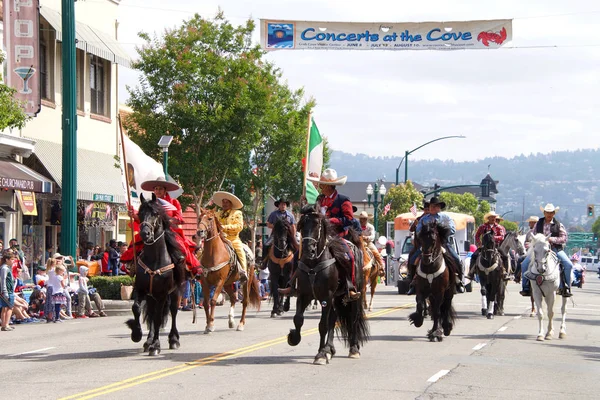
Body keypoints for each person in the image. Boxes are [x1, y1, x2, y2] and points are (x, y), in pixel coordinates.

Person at [121, 177, 201, 276]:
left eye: (160, 189)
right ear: (154, 190)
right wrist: (134, 215)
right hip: (152, 230)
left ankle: (187, 267)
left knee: (181, 246)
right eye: (156, 189)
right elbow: (144, 218)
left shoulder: (174, 202)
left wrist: (168, 220)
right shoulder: (150, 204)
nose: (158, 191)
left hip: (169, 231)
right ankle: (132, 264)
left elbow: (180, 218)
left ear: (165, 190)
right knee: (137, 240)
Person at [309, 168, 362, 300]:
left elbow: (349, 219)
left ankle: (350, 286)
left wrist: (330, 220)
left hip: (339, 236)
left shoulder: (343, 200)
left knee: (349, 256)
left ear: (328, 186)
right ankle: (294, 283)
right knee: (302, 251)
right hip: (321, 235)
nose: (320, 187)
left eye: (322, 185)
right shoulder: (319, 199)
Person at [520, 204, 573, 297]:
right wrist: (537, 240)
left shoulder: (558, 225)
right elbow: (532, 235)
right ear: (544, 213)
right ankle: (526, 287)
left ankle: (565, 287)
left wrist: (551, 239)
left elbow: (564, 238)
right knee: (524, 264)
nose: (549, 214)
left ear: (554, 213)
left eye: (551, 213)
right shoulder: (538, 223)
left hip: (555, 248)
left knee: (568, 264)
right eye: (547, 212)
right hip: (540, 249)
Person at [415, 197, 465, 293]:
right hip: (427, 245)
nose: (433, 208)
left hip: (444, 243)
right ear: (429, 207)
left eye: (435, 206)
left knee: (456, 259)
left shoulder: (446, 218)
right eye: (431, 206)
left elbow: (452, 229)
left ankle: (458, 281)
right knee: (413, 259)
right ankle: (413, 281)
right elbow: (418, 231)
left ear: (439, 207)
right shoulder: (424, 219)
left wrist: (442, 231)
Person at [212, 191, 248, 283]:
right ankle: (200, 270)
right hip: (219, 239)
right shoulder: (217, 214)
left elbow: (239, 227)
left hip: (233, 239)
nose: (224, 204)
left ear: (231, 204)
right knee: (205, 250)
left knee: (240, 251)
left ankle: (243, 272)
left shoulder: (237, 213)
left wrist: (224, 227)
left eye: (226, 202)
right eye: (223, 202)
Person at [465, 211, 510, 281]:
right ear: (488, 218)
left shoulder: (499, 227)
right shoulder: (483, 227)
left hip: (495, 246)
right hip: (484, 246)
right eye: (492, 217)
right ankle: (471, 273)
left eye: (494, 217)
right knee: (474, 256)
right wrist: (479, 242)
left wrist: (492, 238)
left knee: (505, 257)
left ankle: (505, 273)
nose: (493, 218)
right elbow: (477, 235)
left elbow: (502, 237)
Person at [262, 198, 298, 269]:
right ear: (278, 205)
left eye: (284, 204)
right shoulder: (273, 214)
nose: (283, 206)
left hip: (288, 235)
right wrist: (276, 226)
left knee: (297, 247)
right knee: (266, 244)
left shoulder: (290, 215)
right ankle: (264, 262)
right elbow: (268, 224)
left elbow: (293, 226)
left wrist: (293, 236)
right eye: (281, 204)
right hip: (275, 235)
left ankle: (298, 263)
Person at [406, 200, 430, 295]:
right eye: (425, 209)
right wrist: (415, 224)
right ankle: (411, 278)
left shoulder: (434, 219)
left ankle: (456, 278)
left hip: (432, 244)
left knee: (451, 256)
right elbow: (411, 229)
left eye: (428, 209)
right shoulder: (419, 219)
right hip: (420, 246)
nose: (427, 210)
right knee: (411, 258)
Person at [358, 211, 385, 276]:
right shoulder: (357, 225)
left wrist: (367, 237)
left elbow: (373, 236)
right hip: (359, 242)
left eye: (364, 218)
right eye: (361, 218)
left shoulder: (370, 227)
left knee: (376, 253)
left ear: (367, 219)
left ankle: (381, 267)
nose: (362, 220)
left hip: (368, 243)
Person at [1, 250, 17, 331]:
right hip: (7, 291)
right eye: (11, 259)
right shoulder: (4, 268)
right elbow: (3, 280)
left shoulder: (7, 268)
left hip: (7, 291)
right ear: (7, 259)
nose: (13, 261)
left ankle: (4, 325)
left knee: (5, 308)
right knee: (10, 307)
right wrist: (5, 292)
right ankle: (6, 324)